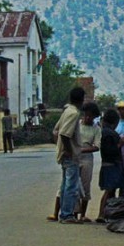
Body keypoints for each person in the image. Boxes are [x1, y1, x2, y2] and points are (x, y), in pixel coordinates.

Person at [53, 86, 85, 224]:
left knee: (65, 184)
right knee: (71, 186)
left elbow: (56, 131)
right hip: (70, 154)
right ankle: (67, 215)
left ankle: (64, 213)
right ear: (81, 99)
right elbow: (65, 134)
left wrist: (59, 147)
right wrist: (69, 151)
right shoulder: (74, 113)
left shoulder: (67, 110)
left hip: (64, 153)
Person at [98, 108, 124, 223]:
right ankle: (101, 213)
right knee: (109, 190)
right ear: (115, 122)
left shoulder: (104, 132)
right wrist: (120, 144)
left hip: (108, 164)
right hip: (112, 165)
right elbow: (110, 150)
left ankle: (108, 212)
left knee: (111, 190)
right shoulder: (109, 134)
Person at [76, 102, 102, 222]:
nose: (87, 118)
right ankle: (74, 212)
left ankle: (83, 214)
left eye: (90, 116)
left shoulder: (96, 129)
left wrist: (82, 150)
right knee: (75, 185)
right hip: (75, 157)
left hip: (87, 158)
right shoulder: (77, 125)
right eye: (86, 115)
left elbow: (97, 146)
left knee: (85, 185)